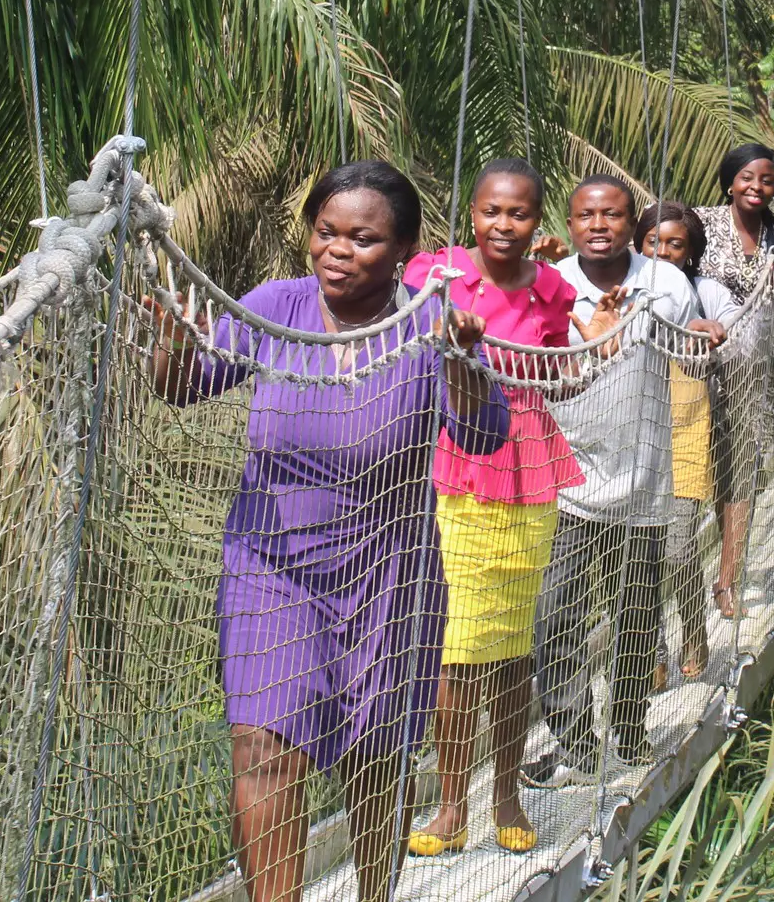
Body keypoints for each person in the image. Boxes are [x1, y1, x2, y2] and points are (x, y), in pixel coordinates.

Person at [147, 161, 505, 902]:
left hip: (390, 570)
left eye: (363, 238)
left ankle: (375, 891)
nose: (337, 249)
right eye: (326, 231)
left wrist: (462, 360)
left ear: (405, 249)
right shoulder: (274, 306)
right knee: (263, 747)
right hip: (271, 564)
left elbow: (484, 437)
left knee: (376, 756)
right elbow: (182, 387)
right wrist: (174, 340)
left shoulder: (428, 324)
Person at [400, 159, 580, 858]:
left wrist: (599, 340)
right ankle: (452, 806)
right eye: (492, 211)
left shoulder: (552, 290)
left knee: (512, 646)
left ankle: (505, 793)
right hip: (455, 465)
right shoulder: (435, 275)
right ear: (471, 213)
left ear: (540, 221)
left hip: (529, 468)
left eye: (520, 213)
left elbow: (559, 378)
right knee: (457, 649)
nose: (504, 225)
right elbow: (400, 344)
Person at [522, 175, 701, 787]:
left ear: (633, 225)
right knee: (556, 616)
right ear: (569, 225)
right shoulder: (546, 284)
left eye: (613, 216)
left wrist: (708, 334)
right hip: (566, 478)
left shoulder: (667, 284)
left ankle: (628, 734)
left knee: (637, 617)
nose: (599, 226)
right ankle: (574, 748)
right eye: (585, 217)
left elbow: (694, 353)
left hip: (644, 478)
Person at [633, 201, 735, 687]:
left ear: (691, 250)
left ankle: (693, 632)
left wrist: (714, 333)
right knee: (638, 554)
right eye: (655, 242)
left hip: (689, 430)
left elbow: (735, 327)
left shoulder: (704, 292)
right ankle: (651, 651)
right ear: (640, 244)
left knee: (676, 550)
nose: (665, 252)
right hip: (637, 435)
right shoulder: (628, 291)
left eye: (676, 244)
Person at [693, 144, 774, 620]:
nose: (757, 187)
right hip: (697, 363)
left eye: (767, 180)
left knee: (740, 469)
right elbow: (662, 263)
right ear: (730, 181)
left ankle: (726, 580)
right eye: (748, 178)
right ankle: (684, 597)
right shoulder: (700, 223)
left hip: (756, 368)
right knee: (701, 465)